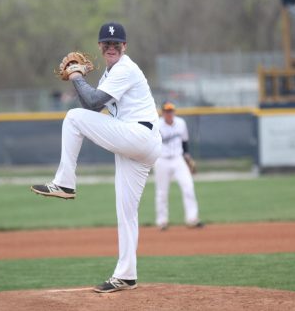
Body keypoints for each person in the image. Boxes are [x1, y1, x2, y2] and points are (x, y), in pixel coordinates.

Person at [31, 22, 162, 293]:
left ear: (124, 47)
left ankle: (65, 182)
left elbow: (89, 106)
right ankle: (126, 275)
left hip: (138, 134)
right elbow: (92, 102)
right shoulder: (108, 76)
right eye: (107, 44)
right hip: (137, 143)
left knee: (72, 118)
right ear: (100, 47)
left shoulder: (125, 68)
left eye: (116, 44)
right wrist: (79, 79)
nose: (111, 47)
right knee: (126, 212)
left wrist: (77, 76)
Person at [154, 101, 204, 231]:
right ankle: (162, 221)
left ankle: (192, 219)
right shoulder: (157, 125)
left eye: (171, 111)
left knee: (188, 187)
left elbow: (185, 142)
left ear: (173, 112)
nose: (169, 113)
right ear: (163, 112)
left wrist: (187, 157)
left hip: (178, 159)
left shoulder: (181, 123)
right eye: (167, 111)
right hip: (162, 160)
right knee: (162, 192)